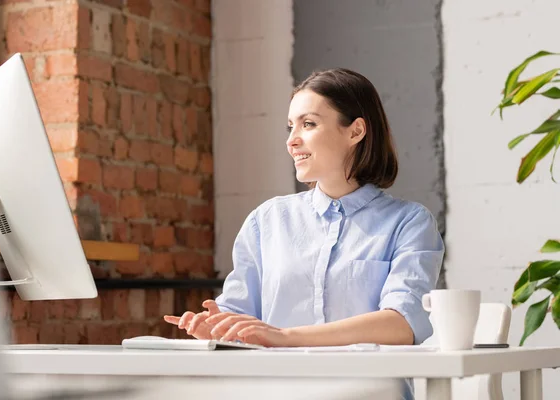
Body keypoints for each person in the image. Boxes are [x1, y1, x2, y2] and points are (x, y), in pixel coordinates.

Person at [165, 67, 443, 349]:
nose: (291, 140)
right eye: (290, 126)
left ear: (356, 131)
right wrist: (219, 327)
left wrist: (286, 337)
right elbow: (242, 323)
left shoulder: (409, 223)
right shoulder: (267, 220)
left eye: (308, 124)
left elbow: (403, 323)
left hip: (368, 390)